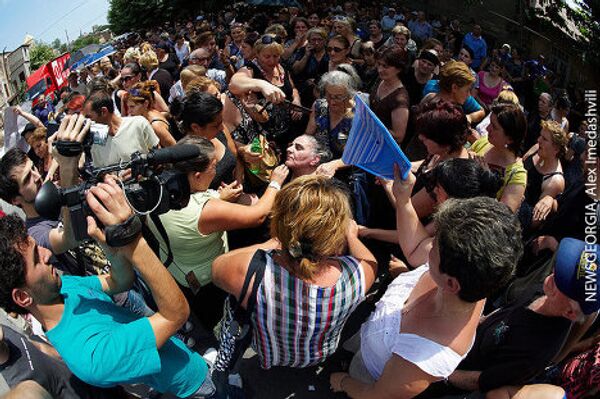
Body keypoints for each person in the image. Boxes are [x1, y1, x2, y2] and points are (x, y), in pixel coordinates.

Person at [0, 170, 214, 398]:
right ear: (22, 298)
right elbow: (176, 314)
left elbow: (118, 281)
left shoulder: (62, 289)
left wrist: (111, 249)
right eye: (36, 259)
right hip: (194, 387)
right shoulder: (91, 355)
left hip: (188, 358)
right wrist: (131, 237)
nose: (46, 254)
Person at [329, 172, 521, 397]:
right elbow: (416, 244)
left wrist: (344, 382)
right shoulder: (476, 275)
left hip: (367, 374)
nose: (428, 246)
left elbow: (374, 395)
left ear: (451, 283)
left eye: (435, 246)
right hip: (369, 336)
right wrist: (403, 199)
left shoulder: (422, 358)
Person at [212, 175, 378, 369]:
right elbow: (370, 260)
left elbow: (217, 266)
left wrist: (272, 242)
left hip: (270, 353)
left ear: (279, 223)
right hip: (318, 355)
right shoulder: (360, 274)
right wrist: (352, 236)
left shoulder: (249, 270)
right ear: (335, 235)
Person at [147, 136, 288, 334]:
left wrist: (219, 198)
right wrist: (275, 183)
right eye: (213, 167)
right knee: (219, 317)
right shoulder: (202, 210)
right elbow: (258, 215)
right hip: (208, 280)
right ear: (196, 175)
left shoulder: (152, 189)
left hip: (178, 269)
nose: (215, 171)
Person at [430, 238, 599, 397]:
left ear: (570, 312)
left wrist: (441, 374)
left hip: (450, 374)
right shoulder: (545, 291)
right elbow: (502, 312)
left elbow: (480, 380)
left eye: (561, 281)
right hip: (455, 343)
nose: (553, 275)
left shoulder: (535, 352)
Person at [229, 34, 302, 153]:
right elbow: (234, 83)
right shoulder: (250, 69)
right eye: (267, 56)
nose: (272, 60)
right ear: (257, 54)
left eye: (276, 56)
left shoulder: (281, 68)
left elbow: (292, 88)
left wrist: (296, 99)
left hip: (287, 132)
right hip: (264, 138)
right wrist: (262, 84)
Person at [172, 91, 238, 189]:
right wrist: (221, 197)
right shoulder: (186, 156)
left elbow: (236, 155)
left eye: (221, 122)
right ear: (195, 127)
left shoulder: (218, 128)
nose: (222, 128)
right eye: (216, 126)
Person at [471, 103, 528, 212]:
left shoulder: (516, 175)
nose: (487, 128)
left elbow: (502, 216)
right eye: (489, 123)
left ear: (510, 139)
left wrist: (488, 182)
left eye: (494, 127)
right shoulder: (483, 142)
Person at [82, 89, 160, 167]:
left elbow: (160, 158)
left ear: (103, 112)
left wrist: (142, 170)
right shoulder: (98, 140)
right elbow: (99, 170)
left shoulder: (138, 124)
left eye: (89, 117)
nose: (87, 122)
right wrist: (106, 176)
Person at [519, 120, 567, 231]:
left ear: (556, 149)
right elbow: (520, 164)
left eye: (544, 139)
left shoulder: (555, 181)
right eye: (540, 136)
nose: (538, 140)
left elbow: (535, 220)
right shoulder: (538, 148)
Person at [422, 60, 485, 125]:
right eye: (467, 90)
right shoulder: (449, 117)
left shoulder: (430, 96)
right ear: (454, 87)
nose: (469, 95)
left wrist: (469, 117)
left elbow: (481, 111)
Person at [370, 46, 410, 145]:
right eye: (379, 64)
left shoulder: (400, 98)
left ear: (399, 68)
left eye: (385, 66)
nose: (380, 69)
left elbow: (398, 136)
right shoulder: (380, 80)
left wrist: (371, 125)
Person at [124, 81, 177, 147]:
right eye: (128, 107)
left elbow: (175, 149)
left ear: (145, 103)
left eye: (132, 106)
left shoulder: (156, 126)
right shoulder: (144, 117)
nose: (129, 111)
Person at [291, 27, 329, 107]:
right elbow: (295, 70)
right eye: (313, 40)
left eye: (320, 39)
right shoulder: (303, 51)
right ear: (309, 40)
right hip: (305, 90)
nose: (316, 43)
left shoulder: (330, 52)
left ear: (325, 41)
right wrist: (306, 55)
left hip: (325, 89)